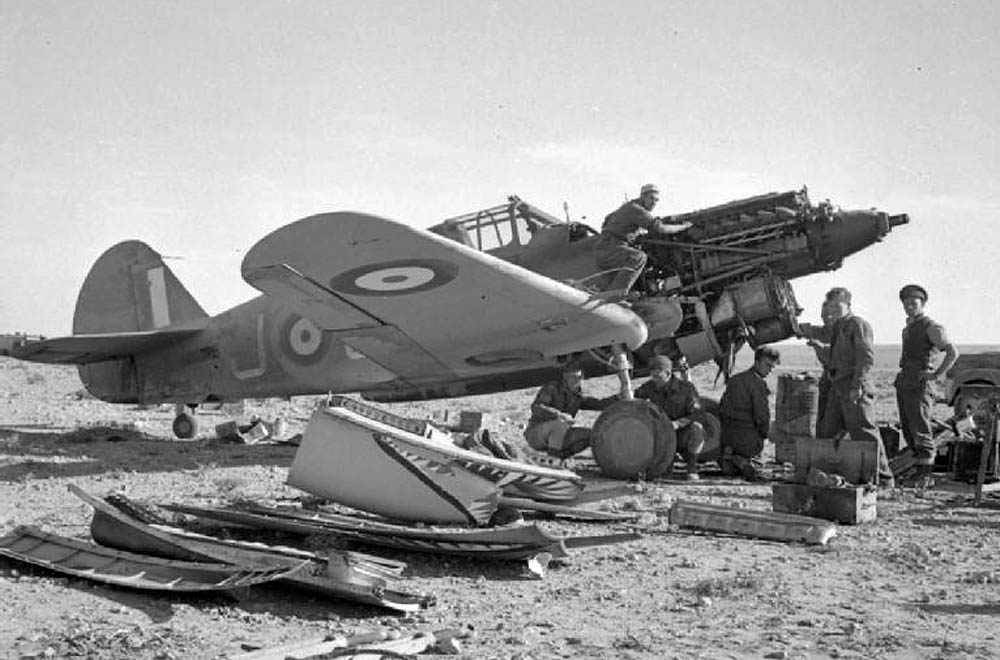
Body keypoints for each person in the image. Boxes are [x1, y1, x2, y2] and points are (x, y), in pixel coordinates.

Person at [798, 287, 895, 487]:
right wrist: (800, 329)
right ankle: (827, 474)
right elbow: (821, 333)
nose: (833, 309)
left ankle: (884, 478)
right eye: (831, 305)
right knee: (827, 432)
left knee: (864, 433)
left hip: (853, 388)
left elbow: (866, 359)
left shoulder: (857, 325)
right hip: (837, 388)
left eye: (837, 305)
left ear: (848, 305)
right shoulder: (837, 327)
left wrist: (857, 386)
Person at [894, 284, 959, 487]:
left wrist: (936, 374)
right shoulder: (908, 328)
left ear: (922, 304)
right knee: (908, 428)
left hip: (920, 385)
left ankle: (925, 475)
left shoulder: (931, 327)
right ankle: (916, 470)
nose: (909, 306)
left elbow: (952, 352)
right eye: (906, 303)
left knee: (920, 428)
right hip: (905, 382)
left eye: (914, 303)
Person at [593, 184, 692, 301]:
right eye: (651, 198)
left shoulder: (628, 208)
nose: (654, 202)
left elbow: (607, 219)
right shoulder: (635, 209)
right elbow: (660, 228)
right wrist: (683, 227)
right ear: (642, 197)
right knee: (638, 258)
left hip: (609, 246)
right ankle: (616, 294)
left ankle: (635, 291)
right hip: (609, 247)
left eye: (656, 200)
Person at [635, 355, 719, 481]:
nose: (655, 380)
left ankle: (691, 467)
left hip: (682, 434)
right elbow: (632, 399)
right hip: (661, 436)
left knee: (696, 429)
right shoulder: (649, 387)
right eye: (653, 376)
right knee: (662, 474)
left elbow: (699, 414)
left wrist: (678, 424)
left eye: (659, 376)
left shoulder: (687, 389)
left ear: (668, 373)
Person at [523, 360, 617, 459]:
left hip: (560, 435)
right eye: (572, 377)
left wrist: (619, 397)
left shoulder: (577, 396)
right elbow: (537, 407)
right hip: (536, 434)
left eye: (579, 377)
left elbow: (599, 404)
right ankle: (554, 458)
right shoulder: (552, 388)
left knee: (591, 435)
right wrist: (559, 415)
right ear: (565, 377)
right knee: (559, 423)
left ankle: (563, 457)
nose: (576, 381)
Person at [718, 346, 781, 480]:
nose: (770, 370)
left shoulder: (735, 379)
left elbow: (722, 407)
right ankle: (743, 459)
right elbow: (762, 416)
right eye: (767, 365)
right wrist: (765, 434)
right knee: (759, 462)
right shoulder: (758, 384)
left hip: (726, 437)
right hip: (748, 440)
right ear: (757, 362)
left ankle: (730, 457)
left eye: (772, 367)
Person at [806, 300, 836, 426]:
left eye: (829, 315)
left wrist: (820, 346)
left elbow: (838, 349)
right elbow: (798, 329)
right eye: (823, 316)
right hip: (827, 376)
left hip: (844, 377)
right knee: (822, 412)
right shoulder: (819, 331)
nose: (825, 319)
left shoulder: (845, 331)